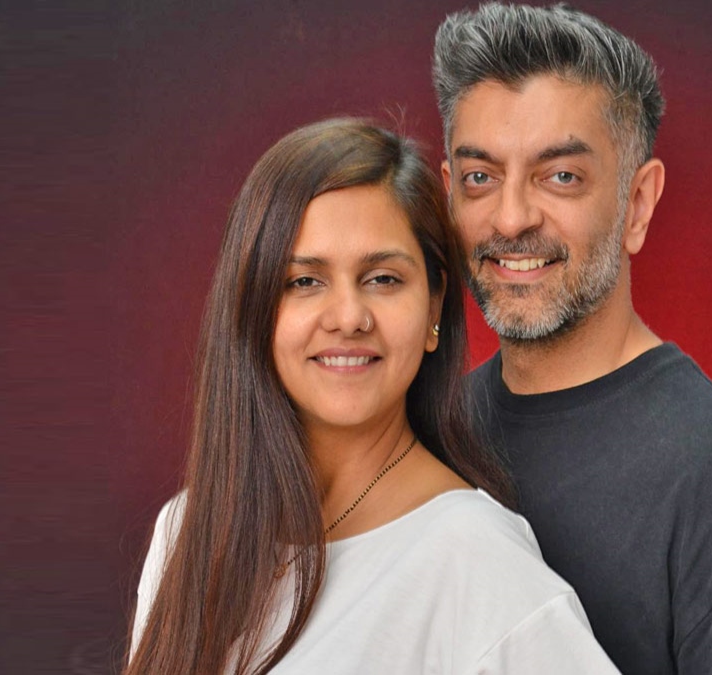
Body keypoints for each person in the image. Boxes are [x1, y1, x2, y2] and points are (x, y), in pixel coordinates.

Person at [125, 119, 620, 674]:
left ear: (433, 306)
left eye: (382, 279)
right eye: (304, 282)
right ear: (254, 308)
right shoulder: (188, 530)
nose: (348, 317)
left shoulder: (477, 560)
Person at [433, 4, 712, 674]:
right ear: (448, 194)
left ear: (637, 204)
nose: (511, 217)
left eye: (561, 176)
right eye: (481, 177)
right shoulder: (431, 435)